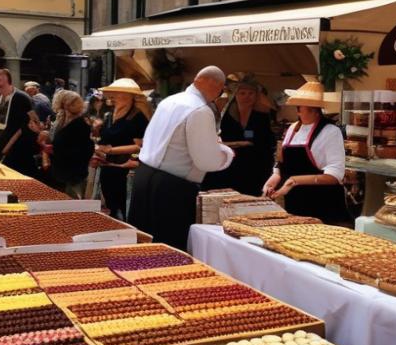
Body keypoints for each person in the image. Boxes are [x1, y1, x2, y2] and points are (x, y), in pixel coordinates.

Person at [129, 67, 234, 251]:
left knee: (142, 245)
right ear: (214, 85)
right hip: (170, 187)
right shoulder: (200, 110)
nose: (219, 94)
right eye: (221, 89)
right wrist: (225, 152)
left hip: (145, 177)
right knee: (168, 248)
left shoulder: (170, 100)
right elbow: (206, 161)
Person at [262, 80, 351, 225]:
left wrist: (294, 181)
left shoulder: (330, 131)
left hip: (323, 205)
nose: (310, 112)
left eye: (313, 109)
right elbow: (281, 163)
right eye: (304, 108)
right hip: (295, 204)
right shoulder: (292, 129)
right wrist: (273, 179)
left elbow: (334, 176)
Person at [202, 77, 276, 196]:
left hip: (254, 167)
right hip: (229, 165)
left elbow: (266, 142)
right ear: (235, 95)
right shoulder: (224, 115)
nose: (247, 96)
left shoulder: (261, 116)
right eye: (242, 93)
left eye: (251, 93)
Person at [95, 78, 150, 220]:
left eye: (120, 94)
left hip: (124, 168)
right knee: (111, 204)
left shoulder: (138, 117)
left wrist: (112, 151)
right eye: (114, 94)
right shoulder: (109, 115)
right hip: (107, 165)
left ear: (131, 97)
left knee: (122, 206)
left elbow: (139, 146)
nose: (115, 97)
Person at [0, 69, 38, 176]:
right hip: (2, 143)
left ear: (7, 79)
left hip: (17, 148)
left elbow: (32, 122)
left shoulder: (22, 97)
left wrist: (8, 145)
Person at [49, 90, 95, 199]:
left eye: (76, 102)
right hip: (59, 169)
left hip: (74, 172)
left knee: (72, 202)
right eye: (72, 103)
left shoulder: (82, 123)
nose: (76, 105)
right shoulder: (60, 119)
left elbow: (86, 150)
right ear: (63, 104)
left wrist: (56, 150)